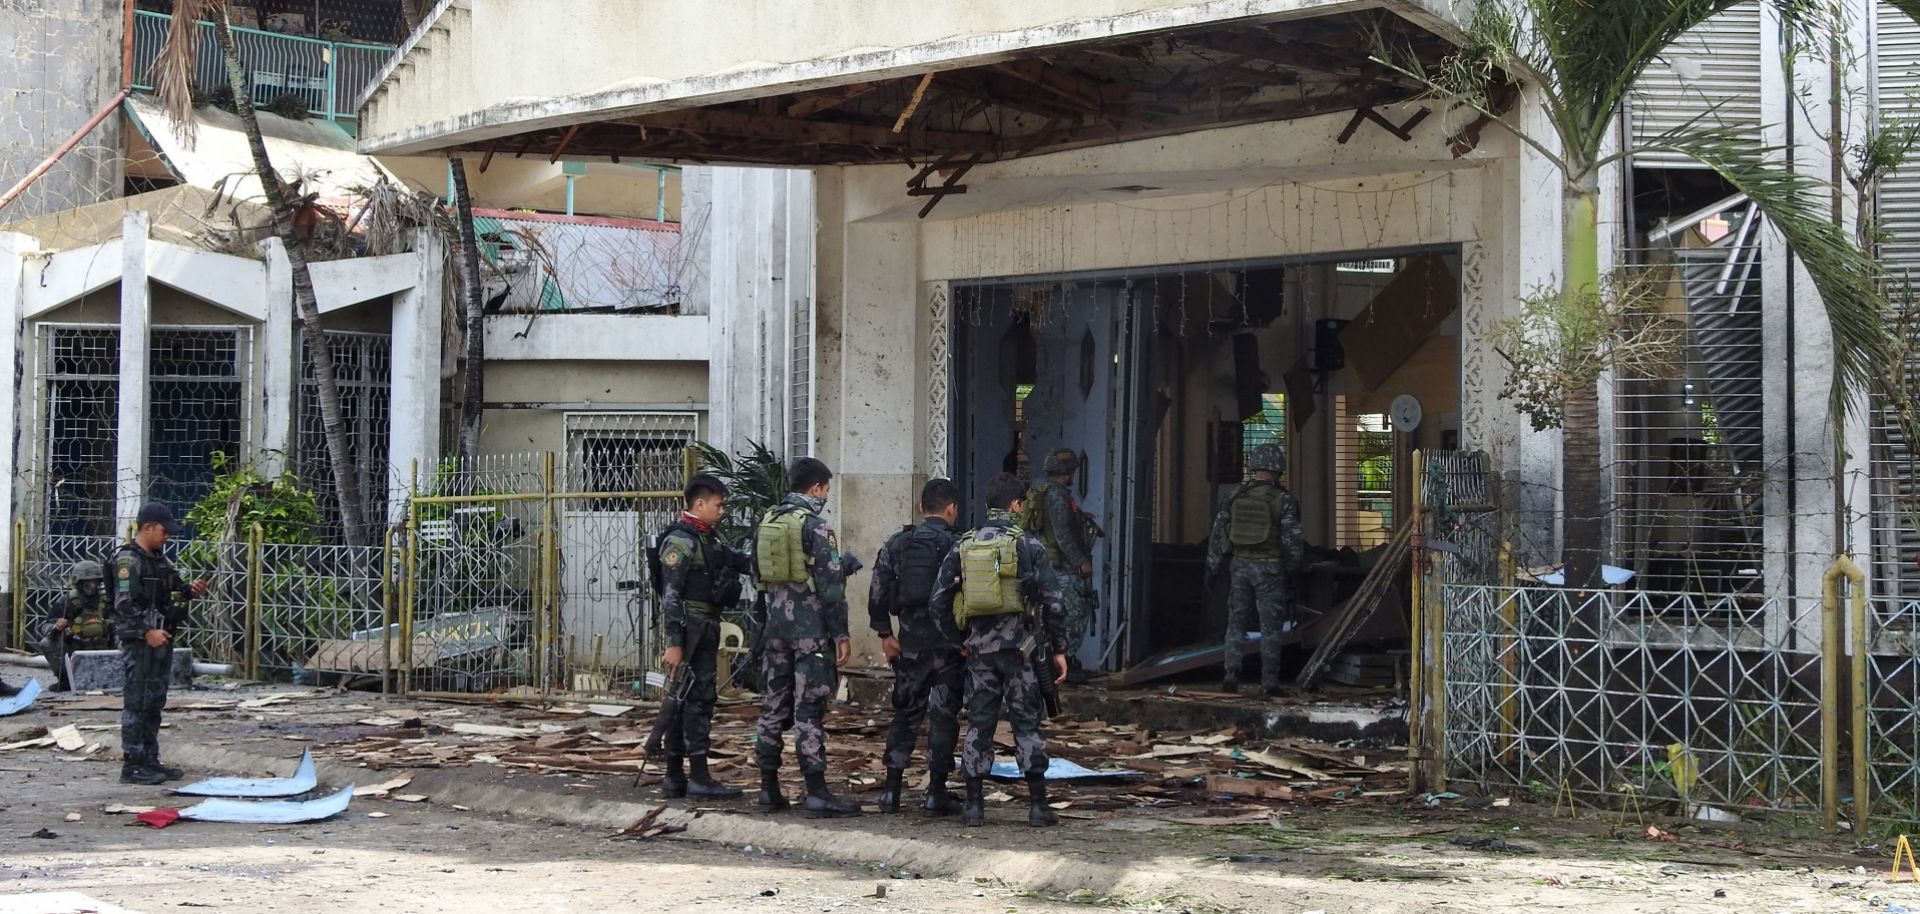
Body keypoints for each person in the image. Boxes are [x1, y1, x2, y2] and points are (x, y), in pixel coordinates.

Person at [931, 472, 1068, 828]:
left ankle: (974, 805)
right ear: (1017, 505)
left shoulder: (964, 544)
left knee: (979, 724)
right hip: (1022, 652)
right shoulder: (1029, 545)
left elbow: (938, 602)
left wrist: (957, 640)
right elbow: (1054, 603)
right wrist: (1059, 648)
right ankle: (1038, 805)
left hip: (979, 653)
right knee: (1026, 723)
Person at [752, 457, 860, 818]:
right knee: (808, 710)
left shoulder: (768, 522)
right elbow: (830, 588)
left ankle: (768, 789)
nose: (826, 496)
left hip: (775, 629)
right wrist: (841, 634)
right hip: (811, 633)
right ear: (816, 488)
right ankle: (816, 791)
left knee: (772, 706)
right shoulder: (816, 527)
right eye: (826, 490)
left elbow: (758, 576)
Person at [868, 477, 964, 816]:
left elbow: (878, 590)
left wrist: (884, 634)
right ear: (951, 509)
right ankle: (936, 792)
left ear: (922, 509)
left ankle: (891, 791)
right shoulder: (959, 544)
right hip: (949, 647)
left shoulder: (897, 543)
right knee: (943, 714)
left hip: (910, 644)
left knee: (906, 712)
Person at [656, 474, 747, 800]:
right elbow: (671, 596)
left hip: (705, 627)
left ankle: (676, 777)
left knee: (690, 701)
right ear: (699, 504)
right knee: (694, 702)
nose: (721, 511)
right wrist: (674, 643)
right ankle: (694, 776)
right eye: (718, 505)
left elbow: (739, 561)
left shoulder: (708, 539)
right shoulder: (680, 542)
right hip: (690, 631)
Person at [112, 501, 208, 786]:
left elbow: (173, 591)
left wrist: (191, 591)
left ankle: (150, 759)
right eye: (164, 532)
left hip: (160, 637)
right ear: (147, 527)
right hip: (140, 640)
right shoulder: (128, 562)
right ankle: (133, 764)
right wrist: (146, 631)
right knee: (137, 700)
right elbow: (123, 604)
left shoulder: (158, 560)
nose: (167, 537)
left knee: (154, 700)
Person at [1205, 444, 1305, 696]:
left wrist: (1213, 566)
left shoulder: (1235, 496)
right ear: (1277, 469)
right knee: (1270, 627)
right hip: (1269, 568)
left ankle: (1230, 674)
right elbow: (1292, 540)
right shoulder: (1283, 500)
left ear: (1255, 466)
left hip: (1239, 565)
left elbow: (1217, 535)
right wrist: (1294, 569)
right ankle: (1268, 683)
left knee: (1236, 621)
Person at [1035, 448, 1097, 678]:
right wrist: (1080, 561)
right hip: (1062, 568)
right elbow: (1062, 535)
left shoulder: (1056, 494)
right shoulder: (1057, 497)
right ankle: (1064, 662)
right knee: (1073, 612)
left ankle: (1064, 661)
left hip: (1055, 566)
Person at [42, 560, 112, 692]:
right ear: (79, 582)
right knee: (47, 643)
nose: (92, 585)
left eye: (95, 581)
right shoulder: (66, 600)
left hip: (105, 650)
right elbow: (45, 626)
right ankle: (65, 680)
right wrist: (56, 627)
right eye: (88, 581)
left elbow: (121, 623)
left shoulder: (108, 600)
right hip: (76, 650)